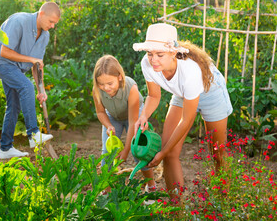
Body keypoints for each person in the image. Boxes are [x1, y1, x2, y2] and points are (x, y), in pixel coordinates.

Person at [133, 23, 233, 196]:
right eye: (150, 53)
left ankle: (225, 202)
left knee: (218, 153)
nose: (153, 59)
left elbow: (186, 121)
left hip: (211, 91)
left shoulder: (190, 71)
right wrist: (143, 116)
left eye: (160, 54)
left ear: (173, 52)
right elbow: (154, 96)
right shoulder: (147, 64)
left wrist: (161, 152)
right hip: (183, 92)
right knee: (170, 154)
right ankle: (176, 209)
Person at [0, 2, 60, 159]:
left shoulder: (44, 36)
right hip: (0, 60)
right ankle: (33, 134)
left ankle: (5, 148)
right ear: (41, 14)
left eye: (55, 24)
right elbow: (4, 52)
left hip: (15, 67)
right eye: (51, 22)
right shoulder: (19, 21)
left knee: (14, 105)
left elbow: (37, 64)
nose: (52, 26)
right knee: (26, 86)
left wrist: (42, 91)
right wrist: (32, 59)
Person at [92, 55, 156, 191]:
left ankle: (151, 185)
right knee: (107, 152)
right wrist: (109, 125)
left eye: (110, 83)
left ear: (119, 77)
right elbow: (100, 113)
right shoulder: (97, 90)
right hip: (113, 116)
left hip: (134, 116)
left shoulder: (130, 87)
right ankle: (106, 189)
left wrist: (126, 150)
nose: (106, 88)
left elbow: (133, 121)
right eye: (101, 84)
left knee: (139, 151)